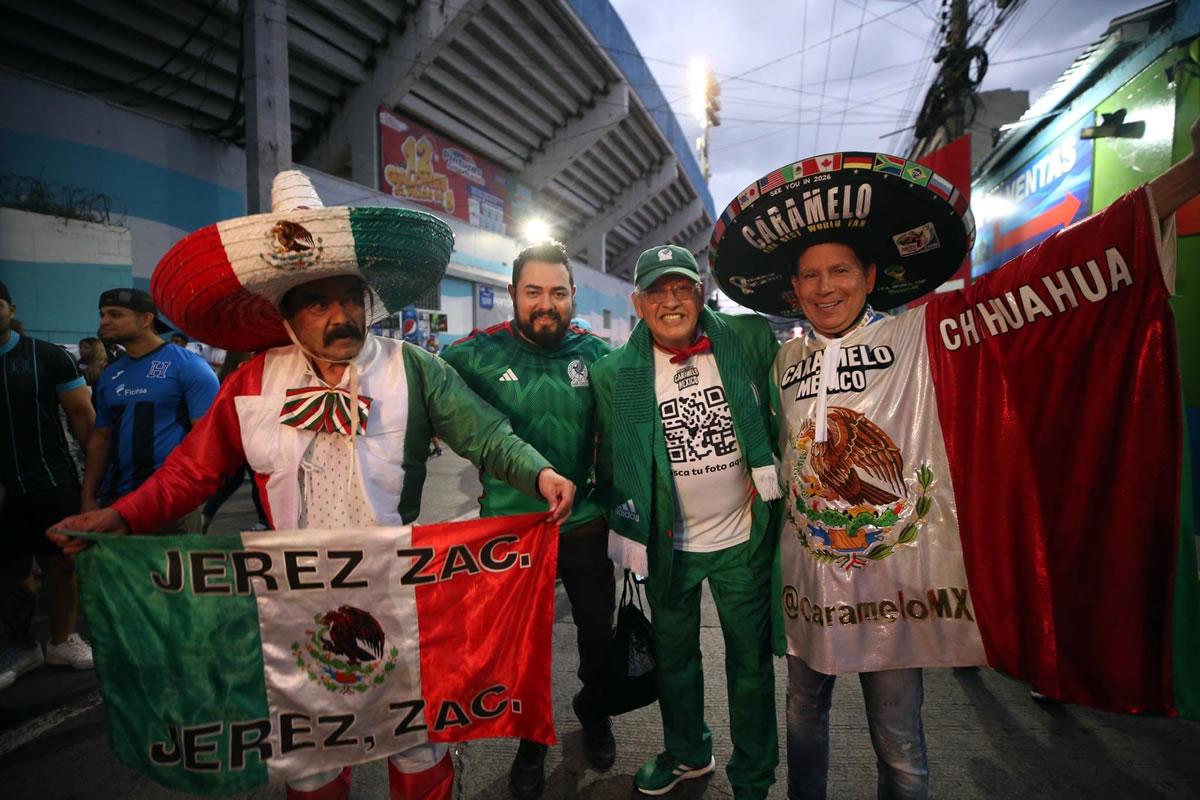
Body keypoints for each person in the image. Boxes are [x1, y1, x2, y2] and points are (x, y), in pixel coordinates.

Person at [708, 120, 1200, 800]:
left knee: (899, 739)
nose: (826, 288)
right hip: (807, 580)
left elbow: (1048, 274)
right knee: (803, 716)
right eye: (810, 276)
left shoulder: (922, 332)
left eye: (841, 271)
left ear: (871, 275)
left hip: (896, 582)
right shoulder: (783, 358)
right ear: (793, 290)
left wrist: (1186, 178)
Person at [49, 170, 576, 800]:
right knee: (315, 758)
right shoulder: (251, 386)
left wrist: (539, 471)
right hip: (294, 604)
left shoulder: (414, 368)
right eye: (319, 303)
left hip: (398, 593)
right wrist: (121, 517)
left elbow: (487, 435)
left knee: (417, 744)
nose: (342, 315)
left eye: (349, 298)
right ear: (286, 315)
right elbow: (193, 471)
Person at [593, 245, 782, 799]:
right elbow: (610, 462)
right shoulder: (612, 374)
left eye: (682, 289)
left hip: (741, 536)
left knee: (750, 667)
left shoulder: (746, 338)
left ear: (701, 294)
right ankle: (687, 753)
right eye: (657, 291)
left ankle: (753, 774)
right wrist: (624, 525)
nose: (671, 302)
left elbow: (779, 407)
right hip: (666, 546)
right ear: (637, 302)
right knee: (675, 659)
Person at [441, 240, 615, 799]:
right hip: (510, 535)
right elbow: (419, 396)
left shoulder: (596, 355)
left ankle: (595, 710)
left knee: (597, 633)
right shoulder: (472, 355)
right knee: (526, 648)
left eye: (558, 293)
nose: (547, 303)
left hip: (585, 525)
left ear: (572, 296)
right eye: (534, 291)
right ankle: (531, 741)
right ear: (512, 293)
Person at [0, 281, 96, 690]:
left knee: (60, 564)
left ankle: (61, 640)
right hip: (4, 491)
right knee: (11, 570)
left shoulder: (47, 357)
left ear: (11, 308)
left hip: (51, 481)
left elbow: (83, 419)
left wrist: (93, 480)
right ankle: (22, 646)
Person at [81, 288, 219, 535]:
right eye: (102, 315)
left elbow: (207, 439)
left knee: (174, 574)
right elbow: (101, 437)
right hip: (116, 500)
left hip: (171, 501)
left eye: (115, 314)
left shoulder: (189, 366)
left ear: (146, 319)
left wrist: (190, 493)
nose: (104, 321)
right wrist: (89, 494)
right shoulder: (111, 374)